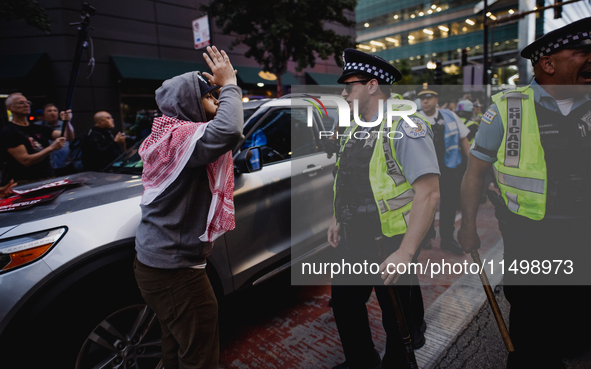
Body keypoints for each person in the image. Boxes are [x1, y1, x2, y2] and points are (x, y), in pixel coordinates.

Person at [458, 17, 591, 369]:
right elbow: (474, 173)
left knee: (578, 307)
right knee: (533, 323)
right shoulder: (506, 108)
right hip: (532, 237)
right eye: (583, 53)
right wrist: (468, 226)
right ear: (548, 64)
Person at [328, 48, 440, 369]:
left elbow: (429, 194)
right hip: (353, 238)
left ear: (372, 85)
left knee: (396, 319)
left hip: (387, 241)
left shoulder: (405, 126)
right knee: (345, 304)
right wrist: (337, 219)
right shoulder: (355, 126)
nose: (344, 93)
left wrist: (405, 253)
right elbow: (347, 178)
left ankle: (398, 363)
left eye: (349, 86)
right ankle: (362, 360)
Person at [133, 46, 242, 369]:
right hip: (175, 272)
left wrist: (224, 91)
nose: (217, 102)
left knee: (175, 344)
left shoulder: (169, 139)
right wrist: (231, 84)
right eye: (211, 97)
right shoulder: (183, 140)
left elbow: (226, 129)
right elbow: (230, 130)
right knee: (199, 354)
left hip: (156, 266)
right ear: (191, 103)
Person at [418, 86, 471, 254]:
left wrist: (473, 166)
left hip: (448, 168)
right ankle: (425, 237)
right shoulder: (414, 118)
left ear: (436, 99)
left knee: (449, 205)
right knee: (426, 205)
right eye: (422, 98)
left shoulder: (450, 116)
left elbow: (464, 140)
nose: (425, 101)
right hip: (425, 171)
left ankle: (447, 240)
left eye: (429, 97)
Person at [0, 93, 74, 185]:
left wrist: (67, 122)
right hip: (26, 181)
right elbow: (26, 161)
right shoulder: (9, 132)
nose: (26, 105)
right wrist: (52, 148)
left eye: (27, 102)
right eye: (20, 103)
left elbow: (68, 137)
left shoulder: (37, 128)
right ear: (9, 107)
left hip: (48, 177)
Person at [35, 103, 75, 175]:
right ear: (44, 113)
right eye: (49, 111)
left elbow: (70, 137)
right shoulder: (38, 126)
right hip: (47, 166)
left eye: (55, 110)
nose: (52, 113)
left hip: (65, 164)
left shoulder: (64, 124)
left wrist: (67, 122)